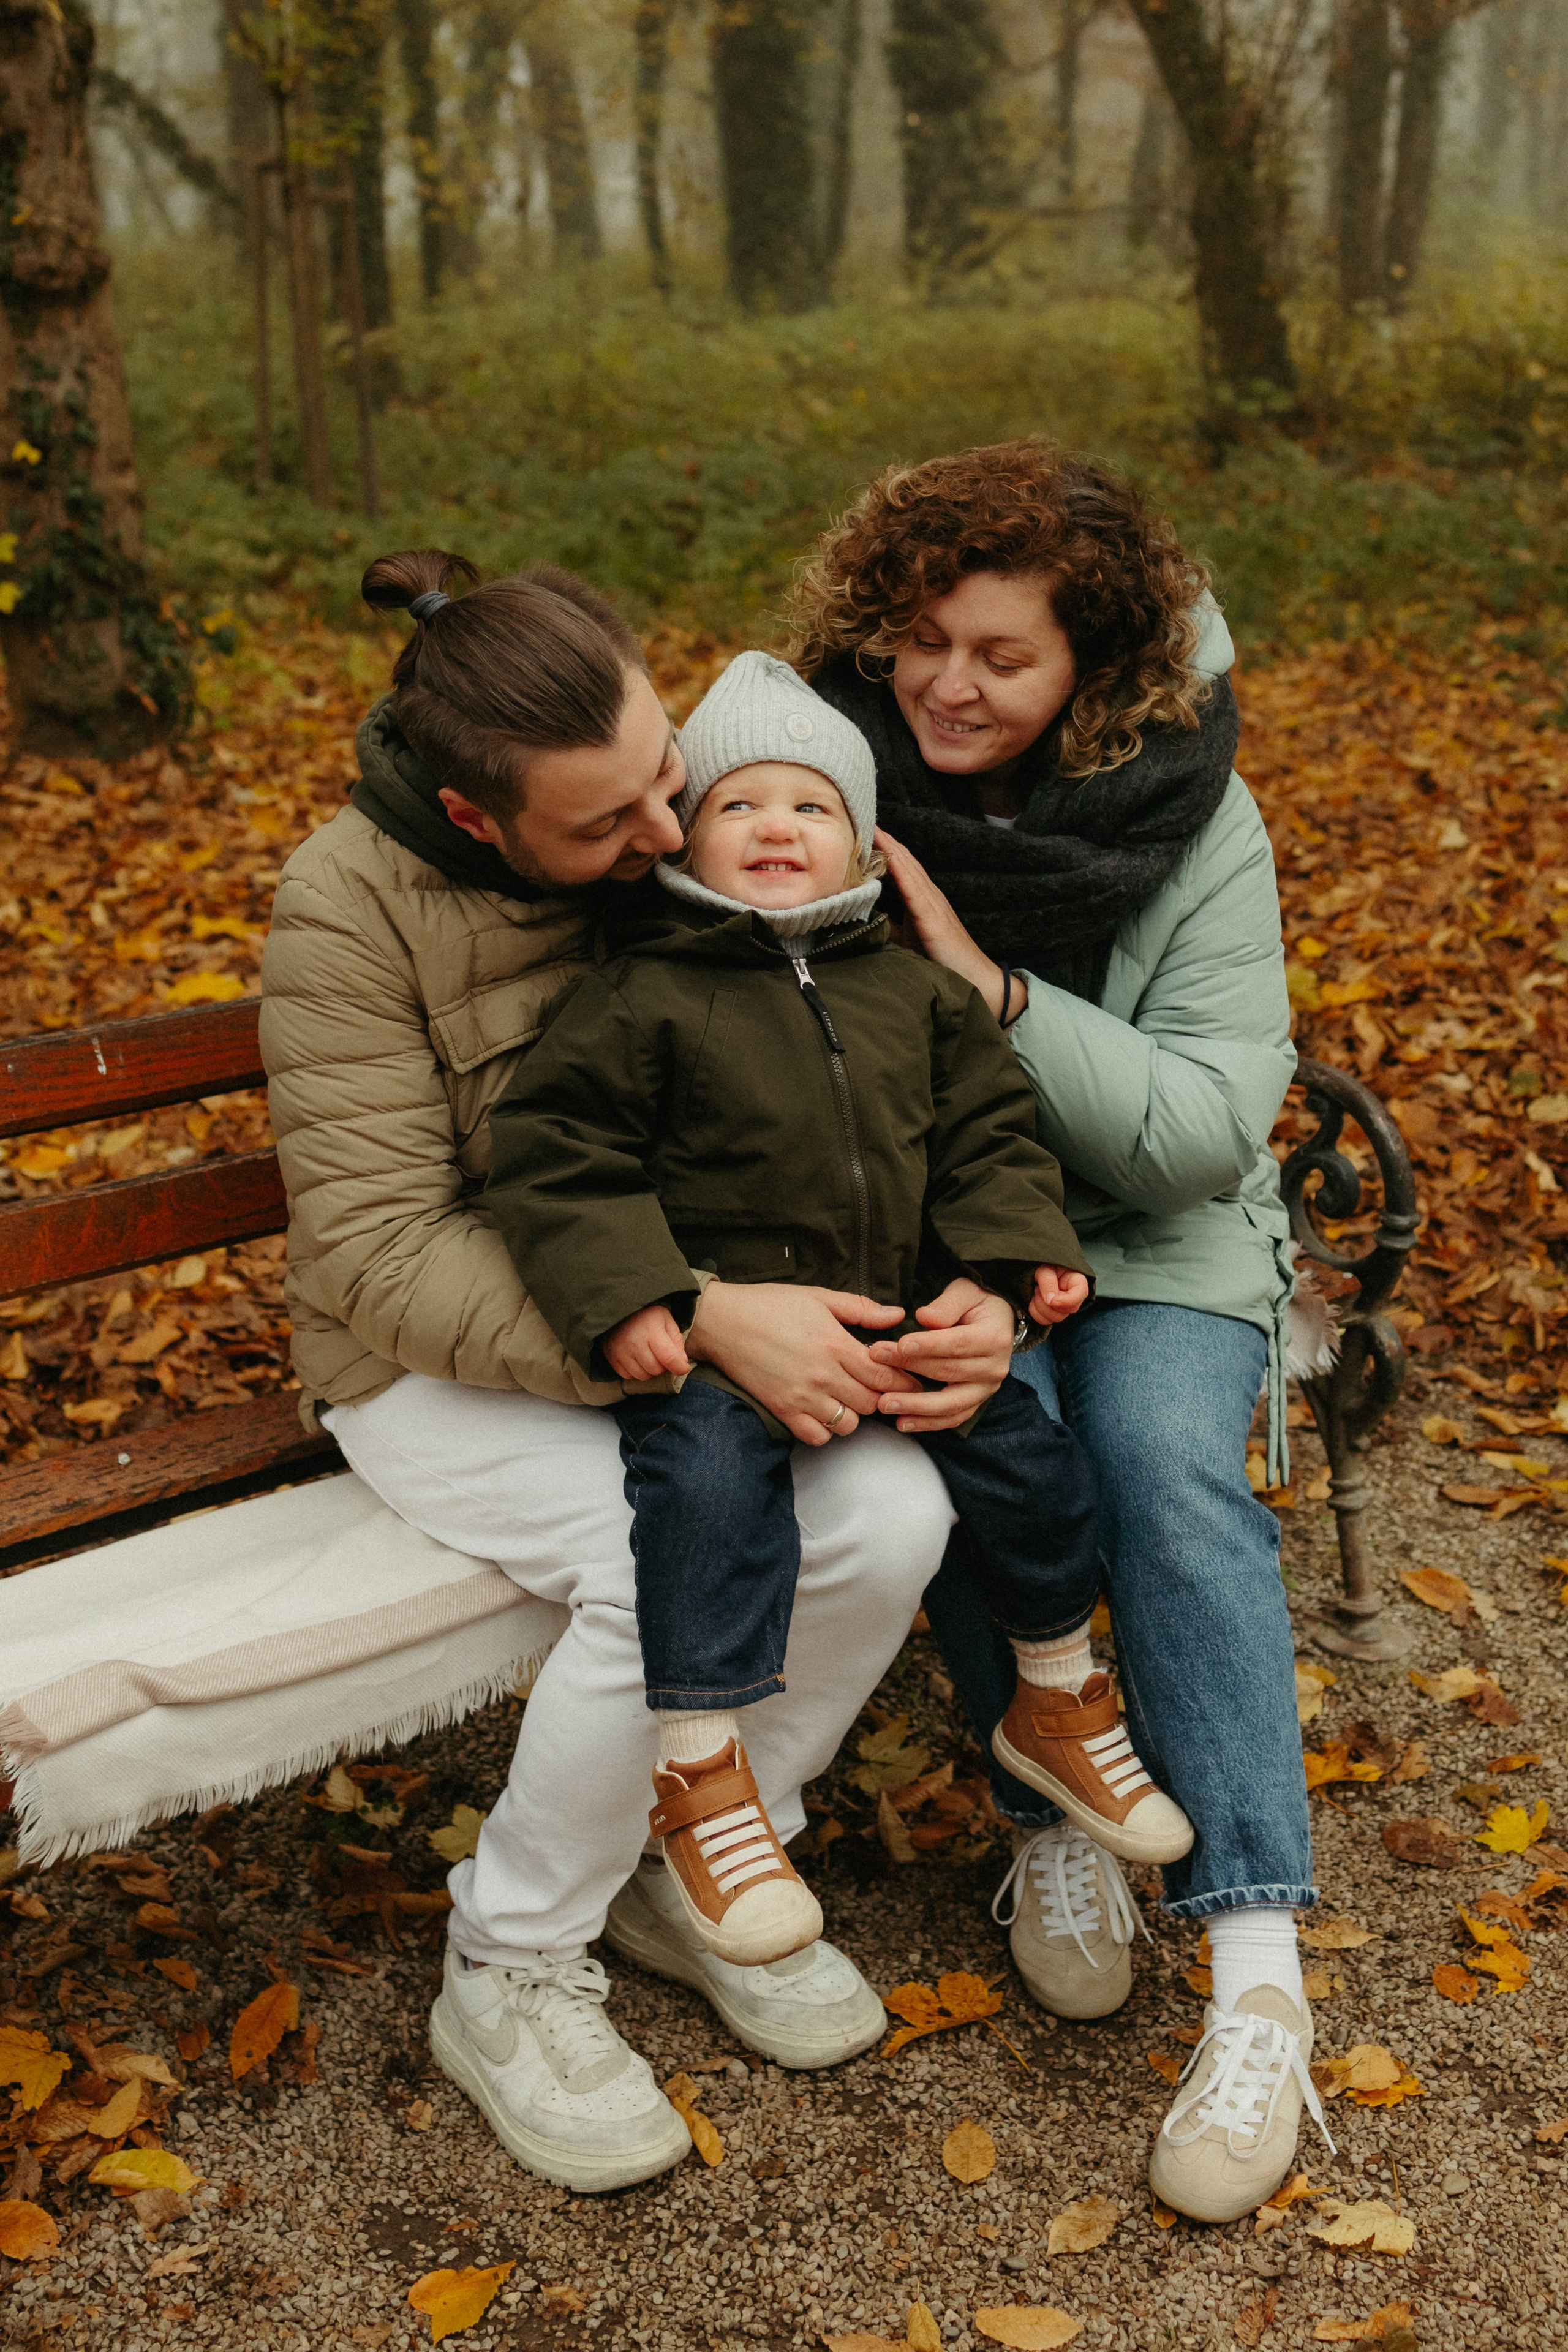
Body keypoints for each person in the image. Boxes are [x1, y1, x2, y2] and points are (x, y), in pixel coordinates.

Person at [258, 551, 960, 2196]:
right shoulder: (346, 906)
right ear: (476, 816)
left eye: (666, 776)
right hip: (428, 1361)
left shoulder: (677, 830)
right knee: (661, 1561)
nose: (664, 834)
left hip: (704, 1330)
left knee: (893, 1517)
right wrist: (690, 1319)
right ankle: (507, 1962)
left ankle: (692, 1855)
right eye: (607, 824)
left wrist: (967, 1288)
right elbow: (380, 1252)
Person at [794, 440, 1327, 2223]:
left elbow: (1201, 1130)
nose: (947, 686)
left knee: (1163, 1467)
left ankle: (1256, 1974)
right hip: (947, 1227)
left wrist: (991, 988)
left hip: (1160, 1232)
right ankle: (1053, 1820)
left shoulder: (1196, 814)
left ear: (1091, 668)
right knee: (972, 1431)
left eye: (1001, 656)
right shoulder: (818, 784)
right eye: (923, 640)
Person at [483, 650, 1193, 1974]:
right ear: (685, 838)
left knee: (1037, 1470)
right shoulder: (643, 994)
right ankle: (701, 1778)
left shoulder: (913, 994)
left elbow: (991, 1137)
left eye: (809, 807)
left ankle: (1053, 1697)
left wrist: (1011, 1264)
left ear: (861, 844)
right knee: (702, 1502)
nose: (775, 827)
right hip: (728, 1348)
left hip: (895, 1324)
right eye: (738, 804)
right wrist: (643, 1293)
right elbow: (557, 1158)